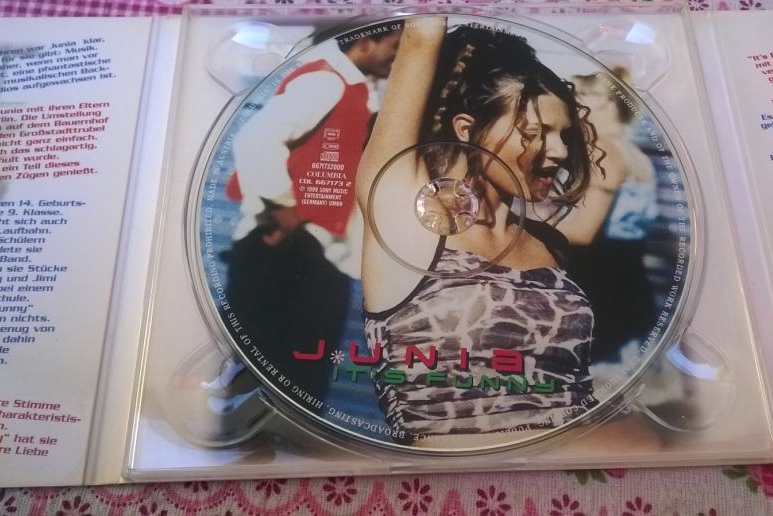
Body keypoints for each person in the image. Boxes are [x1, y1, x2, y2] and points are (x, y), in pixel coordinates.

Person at [355, 19, 630, 448]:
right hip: (456, 475)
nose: (559, 151)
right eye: (535, 133)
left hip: (579, 460)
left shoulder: (548, 244)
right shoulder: (405, 221)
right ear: (467, 130)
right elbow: (422, 35)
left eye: (564, 135)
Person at [221, 22, 402, 407]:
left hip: (311, 256)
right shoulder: (325, 82)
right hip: (283, 250)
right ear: (365, 42)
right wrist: (284, 205)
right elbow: (255, 139)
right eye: (396, 45)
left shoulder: (356, 87)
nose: (399, 56)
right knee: (280, 374)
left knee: (296, 380)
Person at [569, 70, 659, 363]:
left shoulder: (603, 152)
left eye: (582, 94)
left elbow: (582, 234)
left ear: (609, 103)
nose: (572, 99)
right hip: (633, 286)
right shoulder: (635, 153)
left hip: (600, 290)